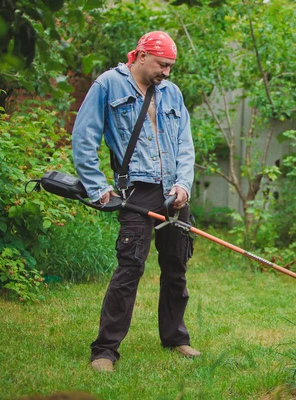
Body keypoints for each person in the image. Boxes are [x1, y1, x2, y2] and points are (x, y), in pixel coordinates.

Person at [72, 31, 199, 373]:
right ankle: (104, 350)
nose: (167, 73)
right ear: (141, 56)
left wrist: (184, 185)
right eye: (162, 65)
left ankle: (175, 337)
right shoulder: (107, 85)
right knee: (130, 269)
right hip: (137, 191)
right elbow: (83, 138)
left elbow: (185, 144)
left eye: (171, 66)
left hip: (173, 191)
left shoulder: (172, 93)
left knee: (176, 268)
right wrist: (98, 187)